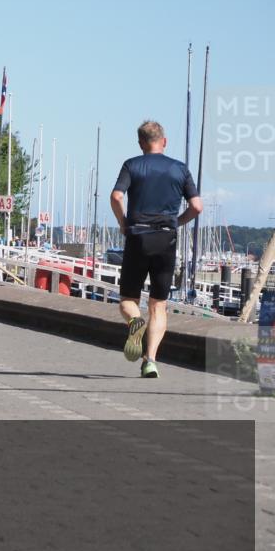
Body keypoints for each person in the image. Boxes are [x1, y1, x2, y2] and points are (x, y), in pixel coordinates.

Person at [110, 120, 202, 378]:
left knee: (128, 299)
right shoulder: (180, 169)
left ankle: (134, 322)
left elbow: (116, 196)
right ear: (165, 141)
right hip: (166, 239)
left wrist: (123, 223)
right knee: (158, 305)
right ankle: (150, 360)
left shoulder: (132, 165)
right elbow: (197, 206)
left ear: (141, 144)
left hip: (138, 236)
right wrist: (177, 222)